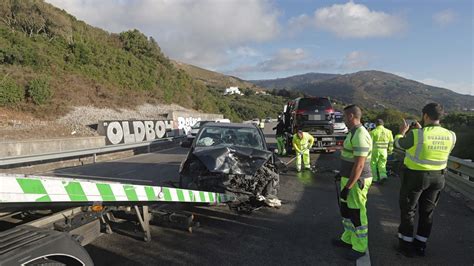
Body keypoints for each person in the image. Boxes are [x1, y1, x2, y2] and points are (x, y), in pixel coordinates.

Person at [395, 103, 456, 257]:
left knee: (409, 210)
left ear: (425, 116)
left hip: (416, 177)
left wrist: (402, 133)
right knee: (427, 212)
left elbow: (398, 144)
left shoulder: (417, 134)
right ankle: (421, 245)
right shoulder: (451, 135)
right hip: (439, 177)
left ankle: (406, 244)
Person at [332, 104, 372, 261]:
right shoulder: (353, 133)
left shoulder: (361, 134)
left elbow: (360, 165)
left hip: (356, 181)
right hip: (348, 178)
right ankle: (348, 239)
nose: (343, 119)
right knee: (346, 211)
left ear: (350, 116)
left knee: (356, 212)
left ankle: (360, 246)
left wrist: (348, 186)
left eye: (344, 116)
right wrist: (342, 175)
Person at [370, 119, 394, 183]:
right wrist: (390, 150)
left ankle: (374, 178)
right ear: (383, 124)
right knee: (382, 164)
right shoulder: (389, 132)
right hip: (384, 151)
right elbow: (391, 142)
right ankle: (383, 176)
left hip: (375, 150)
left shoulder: (373, 132)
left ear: (376, 124)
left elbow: (369, 143)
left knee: (373, 164)